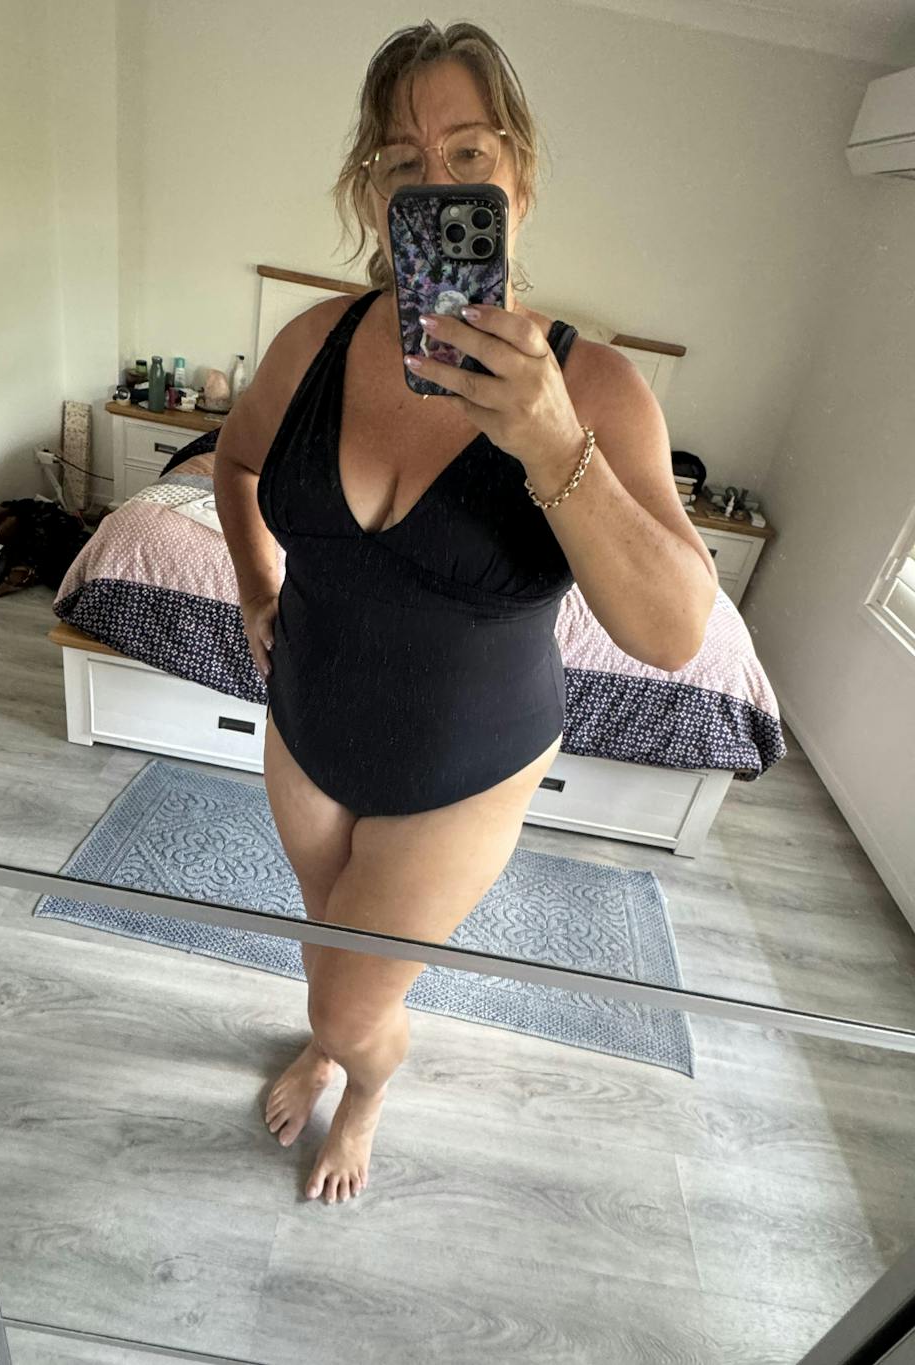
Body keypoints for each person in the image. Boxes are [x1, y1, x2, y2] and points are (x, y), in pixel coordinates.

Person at [213, 21, 718, 1206]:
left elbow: (674, 631)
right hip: (306, 725)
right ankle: (334, 1041)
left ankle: (363, 1086)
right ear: (370, 191)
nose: (431, 180)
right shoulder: (312, 342)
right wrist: (254, 586)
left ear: (517, 181)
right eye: (400, 160)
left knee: (348, 1004)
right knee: (332, 958)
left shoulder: (595, 387)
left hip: (464, 762)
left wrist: (549, 441)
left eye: (468, 153)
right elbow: (231, 464)